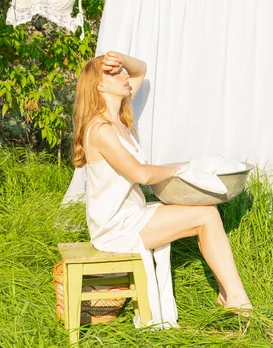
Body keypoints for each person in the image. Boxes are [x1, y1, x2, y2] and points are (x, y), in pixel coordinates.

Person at [72, 51, 252, 318]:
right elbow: (140, 174)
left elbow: (140, 69)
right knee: (205, 215)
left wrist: (118, 58)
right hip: (115, 225)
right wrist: (182, 168)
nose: (124, 75)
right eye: (115, 73)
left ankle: (232, 296)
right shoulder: (100, 129)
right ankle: (236, 298)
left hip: (132, 213)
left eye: (122, 72)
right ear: (99, 86)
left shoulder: (119, 119)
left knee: (207, 213)